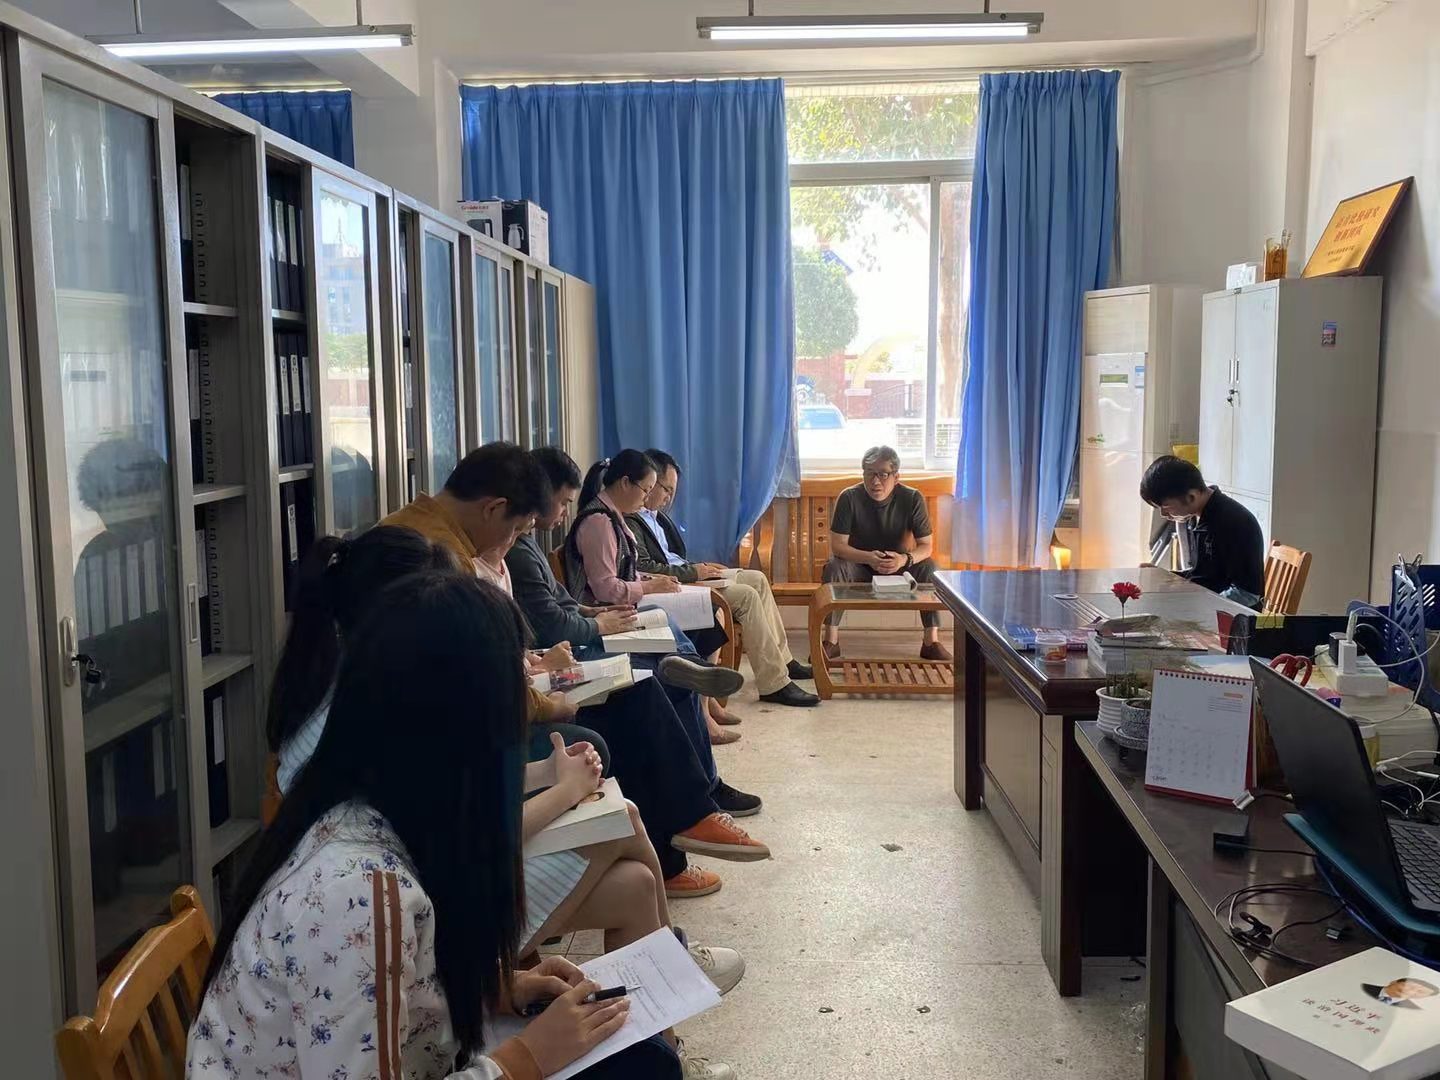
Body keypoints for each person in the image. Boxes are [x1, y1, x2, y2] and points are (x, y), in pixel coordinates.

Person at [188, 570, 723, 1080]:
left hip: (432, 1048)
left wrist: (496, 990)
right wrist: (527, 1058)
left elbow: (393, 993)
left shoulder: (357, 807)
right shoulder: (361, 892)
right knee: (642, 1064)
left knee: (638, 1052)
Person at [263, 526, 748, 992]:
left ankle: (663, 1015)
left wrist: (548, 772)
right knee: (620, 820)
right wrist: (565, 790)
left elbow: (455, 795)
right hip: (420, 915)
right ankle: (674, 971)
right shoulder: (364, 714)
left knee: (635, 884)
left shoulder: (357, 686)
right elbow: (473, 832)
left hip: (428, 882)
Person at [511, 448, 772, 879]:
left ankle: (703, 795)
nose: (562, 515)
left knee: (667, 674)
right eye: (560, 503)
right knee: (649, 686)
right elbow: (554, 619)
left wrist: (590, 616)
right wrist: (595, 624)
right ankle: (686, 830)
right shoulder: (536, 545)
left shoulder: (519, 547)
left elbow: (558, 605)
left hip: (558, 653)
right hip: (562, 660)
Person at [630, 449, 818, 708]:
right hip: (676, 586)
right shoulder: (632, 519)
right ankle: (774, 684)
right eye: (666, 490)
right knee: (746, 596)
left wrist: (701, 567)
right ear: (649, 482)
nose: (668, 498)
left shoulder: (655, 517)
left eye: (673, 491)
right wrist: (695, 573)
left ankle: (784, 660)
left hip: (687, 574)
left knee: (757, 579)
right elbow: (644, 567)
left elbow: (671, 557)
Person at [565, 450, 729, 663]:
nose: (646, 498)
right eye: (645, 490)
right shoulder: (599, 522)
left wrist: (651, 580)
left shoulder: (614, 516)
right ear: (625, 483)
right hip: (607, 614)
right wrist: (649, 587)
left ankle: (695, 673)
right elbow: (606, 588)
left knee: (700, 616)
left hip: (622, 606)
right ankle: (695, 671)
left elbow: (623, 570)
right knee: (698, 619)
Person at [820, 445, 949, 662]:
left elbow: (926, 546)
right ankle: (831, 641)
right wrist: (869, 557)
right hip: (859, 565)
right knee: (834, 567)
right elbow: (838, 546)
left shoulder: (912, 498)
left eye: (883, 474)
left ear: (896, 477)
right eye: (869, 473)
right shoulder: (849, 497)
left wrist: (904, 559)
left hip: (900, 567)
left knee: (931, 568)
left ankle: (931, 641)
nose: (875, 481)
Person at [1139, 455, 1265, 599]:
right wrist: (1164, 576)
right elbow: (1203, 575)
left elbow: (1248, 593)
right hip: (1205, 600)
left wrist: (1199, 603)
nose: (1163, 514)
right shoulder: (1197, 514)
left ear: (1191, 497)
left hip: (1229, 610)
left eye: (1166, 507)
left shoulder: (1233, 522)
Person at [1362, 977, 1440, 1009]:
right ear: (1394, 981)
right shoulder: (1365, 987)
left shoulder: (1411, 1009)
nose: (1410, 991)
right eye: (1410, 986)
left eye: (1420, 992)